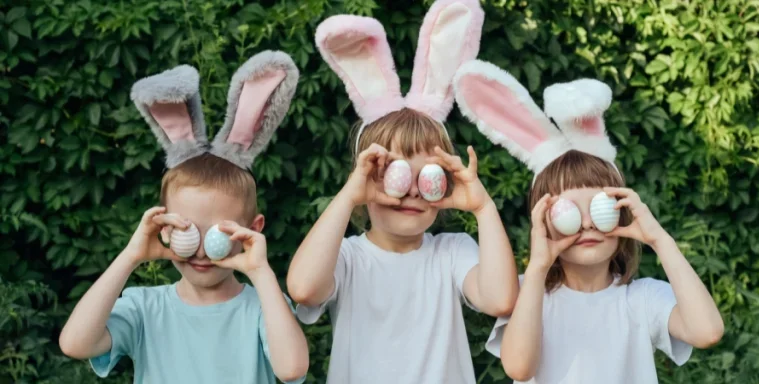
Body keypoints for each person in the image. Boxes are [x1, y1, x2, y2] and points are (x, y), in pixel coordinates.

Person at [286, 1, 519, 383]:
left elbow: (499, 299)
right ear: (364, 179)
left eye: (427, 176)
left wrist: (483, 207)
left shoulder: (452, 253)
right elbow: (304, 288)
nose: (410, 192)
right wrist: (347, 197)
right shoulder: (347, 257)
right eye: (394, 174)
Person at [452, 59, 724, 384]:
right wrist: (538, 265)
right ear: (544, 222)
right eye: (567, 212)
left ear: (621, 213)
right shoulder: (528, 292)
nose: (586, 225)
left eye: (600, 208)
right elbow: (518, 368)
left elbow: (707, 332)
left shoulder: (641, 299)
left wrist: (660, 240)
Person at [58, 51, 309, 384]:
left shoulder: (263, 308)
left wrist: (261, 272)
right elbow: (76, 343)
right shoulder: (144, 308)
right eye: (188, 230)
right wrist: (131, 255)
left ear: (252, 231)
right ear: (164, 229)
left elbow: (291, 369)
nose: (202, 251)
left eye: (219, 233)